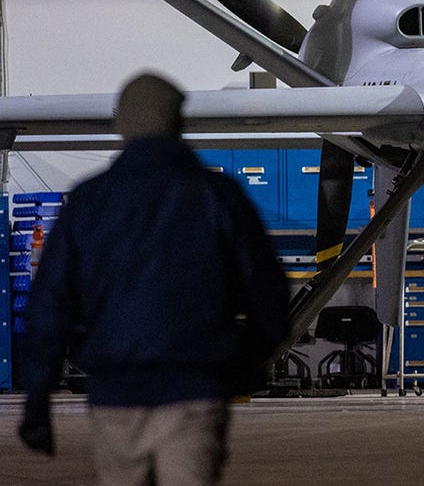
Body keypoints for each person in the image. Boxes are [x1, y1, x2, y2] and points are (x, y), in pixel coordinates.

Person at [18, 72, 289, 484]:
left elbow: (49, 306)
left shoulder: (89, 201)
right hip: (194, 392)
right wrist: (247, 364)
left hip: (115, 398)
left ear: (120, 125)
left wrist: (38, 400)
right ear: (179, 124)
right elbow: (269, 293)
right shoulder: (219, 196)